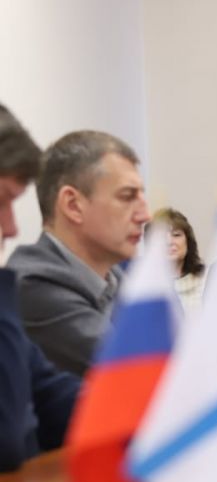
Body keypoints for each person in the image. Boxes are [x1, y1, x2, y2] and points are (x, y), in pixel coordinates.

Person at [6, 130, 150, 376]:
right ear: (73, 205)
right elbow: (138, 371)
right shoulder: (33, 283)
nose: (144, 215)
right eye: (127, 197)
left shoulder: (116, 277)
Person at [0, 104, 79, 471]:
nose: (12, 227)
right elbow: (7, 439)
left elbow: (52, 395)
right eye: (2, 201)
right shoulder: (33, 281)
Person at [150, 207, 205, 314]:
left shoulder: (206, 279)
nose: (169, 242)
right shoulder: (145, 288)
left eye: (176, 235)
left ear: (188, 242)